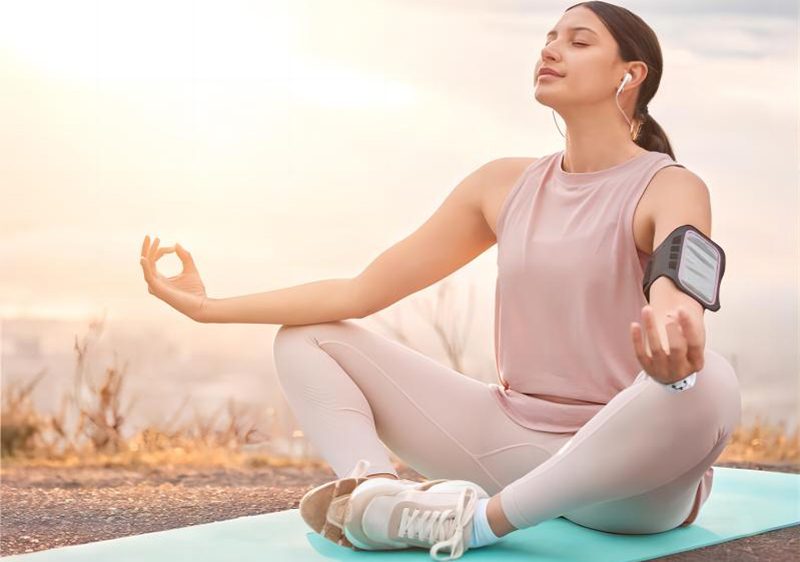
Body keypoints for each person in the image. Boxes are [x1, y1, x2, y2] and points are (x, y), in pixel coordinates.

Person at [138, 2, 741, 560]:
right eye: (549, 38)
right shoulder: (500, 184)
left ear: (628, 75)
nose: (551, 50)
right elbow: (360, 292)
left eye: (578, 42)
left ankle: (472, 525)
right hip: (508, 443)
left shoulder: (669, 185)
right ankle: (375, 499)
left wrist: (672, 331)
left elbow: (677, 278)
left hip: (624, 483)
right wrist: (207, 307)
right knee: (306, 338)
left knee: (708, 380)